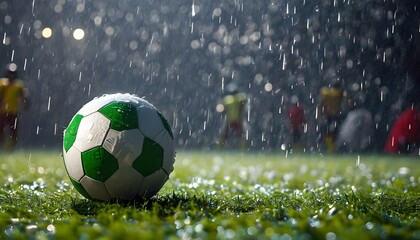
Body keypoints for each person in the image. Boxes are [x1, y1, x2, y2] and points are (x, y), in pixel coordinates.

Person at [0, 63, 29, 150]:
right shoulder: (2, 84)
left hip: (14, 112)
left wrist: (25, 103)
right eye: (10, 73)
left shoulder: (18, 86)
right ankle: (1, 146)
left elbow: (24, 96)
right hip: (3, 112)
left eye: (13, 73)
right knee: (1, 131)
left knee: (13, 132)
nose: (11, 75)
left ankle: (9, 148)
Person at [218, 83, 248, 149]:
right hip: (230, 121)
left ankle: (244, 149)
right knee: (223, 135)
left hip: (237, 121)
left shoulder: (239, 99)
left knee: (242, 136)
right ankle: (220, 148)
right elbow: (223, 108)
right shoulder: (229, 100)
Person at [319, 82, 344, 153]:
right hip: (333, 115)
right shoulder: (338, 93)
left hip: (332, 115)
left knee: (331, 132)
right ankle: (331, 147)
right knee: (331, 132)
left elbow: (321, 104)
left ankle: (331, 147)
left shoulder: (328, 93)